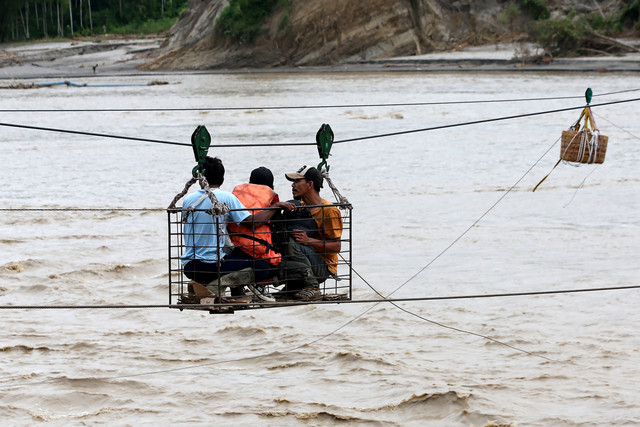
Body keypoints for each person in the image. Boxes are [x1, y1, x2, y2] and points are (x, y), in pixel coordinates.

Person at [181, 157, 289, 296]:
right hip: (210, 266)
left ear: (201, 178)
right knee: (263, 267)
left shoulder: (188, 200)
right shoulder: (226, 198)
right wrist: (275, 206)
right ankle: (215, 285)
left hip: (190, 267)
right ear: (222, 179)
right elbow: (252, 222)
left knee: (233, 256)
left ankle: (204, 285)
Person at [283, 165, 343, 300]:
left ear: (310, 184)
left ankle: (312, 286)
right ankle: (293, 284)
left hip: (322, 266)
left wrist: (308, 241)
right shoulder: (300, 207)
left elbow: (336, 247)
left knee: (294, 243)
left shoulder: (329, 210)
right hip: (305, 259)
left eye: (297, 181)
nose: (293, 185)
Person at [228, 166, 294, 269]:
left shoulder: (236, 200)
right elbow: (281, 238)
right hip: (259, 255)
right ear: (271, 186)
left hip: (234, 249)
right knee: (301, 268)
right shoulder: (272, 207)